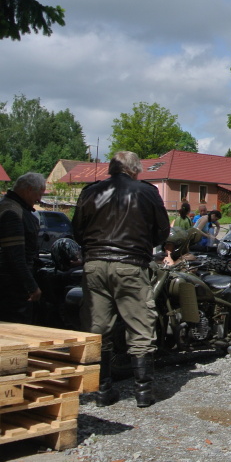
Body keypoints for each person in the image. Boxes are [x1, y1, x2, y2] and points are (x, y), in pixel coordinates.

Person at [72, 151, 169, 407]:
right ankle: (143, 393)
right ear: (134, 170)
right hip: (130, 264)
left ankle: (103, 391)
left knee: (97, 328)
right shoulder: (147, 192)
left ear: (112, 169)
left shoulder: (90, 191)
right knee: (140, 326)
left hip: (94, 264)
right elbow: (162, 231)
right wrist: (142, 245)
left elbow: (77, 230)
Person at [0, 172, 46, 323]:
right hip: (11, 288)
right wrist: (31, 285)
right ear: (29, 190)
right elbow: (15, 255)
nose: (39, 199)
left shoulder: (9, 206)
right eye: (39, 193)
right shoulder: (12, 212)